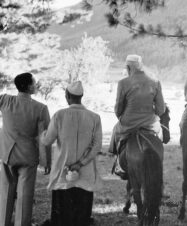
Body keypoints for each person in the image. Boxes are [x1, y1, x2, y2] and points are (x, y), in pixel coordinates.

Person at [40, 81, 102, 226]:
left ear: (67, 96)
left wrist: (41, 133)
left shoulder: (59, 115)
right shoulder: (95, 117)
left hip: (63, 171)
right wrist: (81, 163)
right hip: (85, 172)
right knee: (82, 213)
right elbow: (97, 145)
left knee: (62, 214)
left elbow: (47, 141)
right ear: (82, 96)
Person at [0, 72, 51, 226]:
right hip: (28, 157)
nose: (36, 85)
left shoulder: (5, 100)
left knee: (5, 193)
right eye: (34, 82)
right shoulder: (41, 108)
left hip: (7, 153)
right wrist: (46, 161)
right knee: (25, 195)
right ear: (29, 86)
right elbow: (45, 138)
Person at [109, 54, 165, 157]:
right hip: (150, 123)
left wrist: (121, 118)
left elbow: (118, 108)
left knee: (115, 130)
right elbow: (161, 109)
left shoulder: (123, 83)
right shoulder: (155, 82)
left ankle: (117, 161)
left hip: (128, 123)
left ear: (128, 67)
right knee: (160, 136)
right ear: (141, 66)